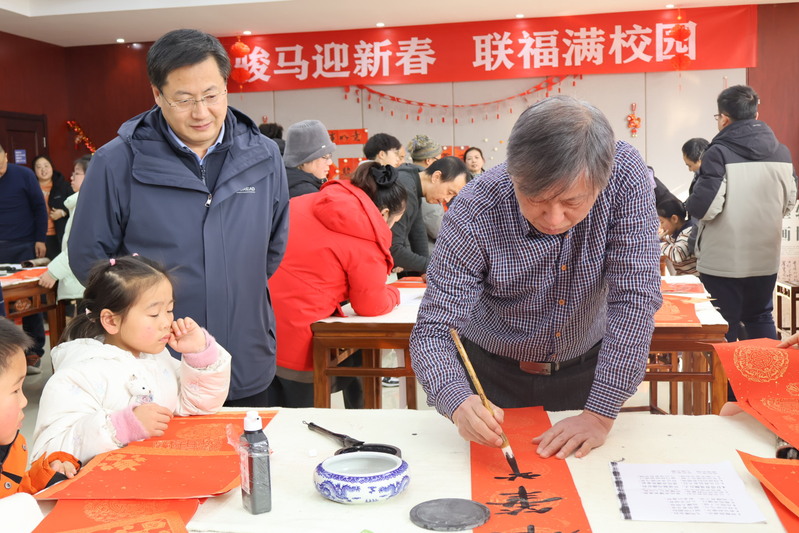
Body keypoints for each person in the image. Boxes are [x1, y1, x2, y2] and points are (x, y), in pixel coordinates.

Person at [409, 95, 661, 460]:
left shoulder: (623, 176)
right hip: (491, 374)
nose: (554, 219)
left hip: (587, 371)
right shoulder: (476, 207)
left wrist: (599, 415)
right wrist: (458, 400)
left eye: (572, 202)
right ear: (513, 173)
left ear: (600, 183)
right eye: (536, 199)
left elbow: (634, 298)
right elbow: (434, 328)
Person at [68, 29, 289, 407]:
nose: (201, 112)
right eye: (184, 100)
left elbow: (272, 246)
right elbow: (90, 259)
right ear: (157, 94)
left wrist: (229, 288)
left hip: (244, 350)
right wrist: (146, 316)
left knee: (245, 442)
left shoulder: (263, 156)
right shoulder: (117, 162)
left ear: (226, 87)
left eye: (211, 95)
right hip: (154, 367)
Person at [32, 255, 232, 464]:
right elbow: (49, 453)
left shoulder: (157, 359)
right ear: (111, 320)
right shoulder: (80, 374)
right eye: (154, 314)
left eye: (169, 310)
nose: (166, 322)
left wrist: (199, 354)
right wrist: (122, 426)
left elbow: (197, 406)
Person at [268, 162, 406, 407]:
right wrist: (394, 293)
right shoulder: (366, 236)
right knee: (301, 421)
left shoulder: (306, 200)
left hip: (258, 327)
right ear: (384, 214)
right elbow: (371, 305)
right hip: (300, 343)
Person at [685, 85, 797, 344]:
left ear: (724, 119)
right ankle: (765, 372)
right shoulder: (782, 153)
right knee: (760, 317)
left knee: (723, 325)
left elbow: (704, 208)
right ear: (756, 115)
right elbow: (789, 203)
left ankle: (728, 375)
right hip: (765, 258)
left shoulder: (718, 153)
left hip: (723, 261)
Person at [0, 317, 80, 501]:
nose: (24, 401)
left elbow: (12, 491)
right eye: (15, 390)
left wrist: (45, 475)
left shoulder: (10, 447)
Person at [0, 143, 48, 373]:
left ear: (6, 156)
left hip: (23, 246)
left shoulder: (24, 175)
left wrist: (40, 239)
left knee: (30, 302)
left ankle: (34, 352)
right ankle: (6, 355)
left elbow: (39, 208)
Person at [392, 155, 469, 276]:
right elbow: (392, 248)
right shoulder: (404, 189)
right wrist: (433, 267)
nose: (447, 199)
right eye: (449, 192)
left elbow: (418, 232)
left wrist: (426, 271)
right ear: (436, 176)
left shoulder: (413, 184)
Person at [38, 155, 92, 312]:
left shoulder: (88, 205)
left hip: (88, 278)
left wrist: (54, 272)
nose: (71, 177)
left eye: (77, 173)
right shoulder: (81, 202)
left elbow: (81, 246)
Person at [32, 155, 72, 260]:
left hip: (58, 236)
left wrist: (63, 212)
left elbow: (77, 204)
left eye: (46, 166)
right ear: (34, 171)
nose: (43, 170)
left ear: (52, 167)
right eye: (39, 167)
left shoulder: (63, 186)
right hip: (36, 237)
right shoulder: (30, 188)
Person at [283, 119, 336, 197]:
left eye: (329, 155)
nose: (330, 162)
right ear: (305, 160)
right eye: (324, 156)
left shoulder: (282, 182)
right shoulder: (306, 194)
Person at [657, 197, 697, 275]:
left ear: (674, 219)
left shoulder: (689, 232)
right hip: (683, 276)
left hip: (694, 278)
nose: (661, 227)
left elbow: (677, 255)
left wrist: (657, 243)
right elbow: (667, 240)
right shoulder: (673, 234)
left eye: (662, 222)